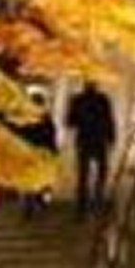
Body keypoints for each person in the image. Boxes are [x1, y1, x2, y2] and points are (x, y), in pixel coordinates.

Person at [67, 80, 117, 218]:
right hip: (97, 140)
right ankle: (95, 202)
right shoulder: (102, 100)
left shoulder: (79, 100)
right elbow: (109, 120)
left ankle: (83, 206)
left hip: (85, 140)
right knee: (98, 173)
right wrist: (111, 137)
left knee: (84, 174)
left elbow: (70, 122)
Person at [15, 89, 59, 219]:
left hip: (31, 152)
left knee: (31, 181)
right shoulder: (46, 119)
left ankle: (32, 203)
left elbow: (20, 134)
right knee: (41, 181)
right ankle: (40, 200)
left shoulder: (27, 119)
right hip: (40, 153)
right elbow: (51, 137)